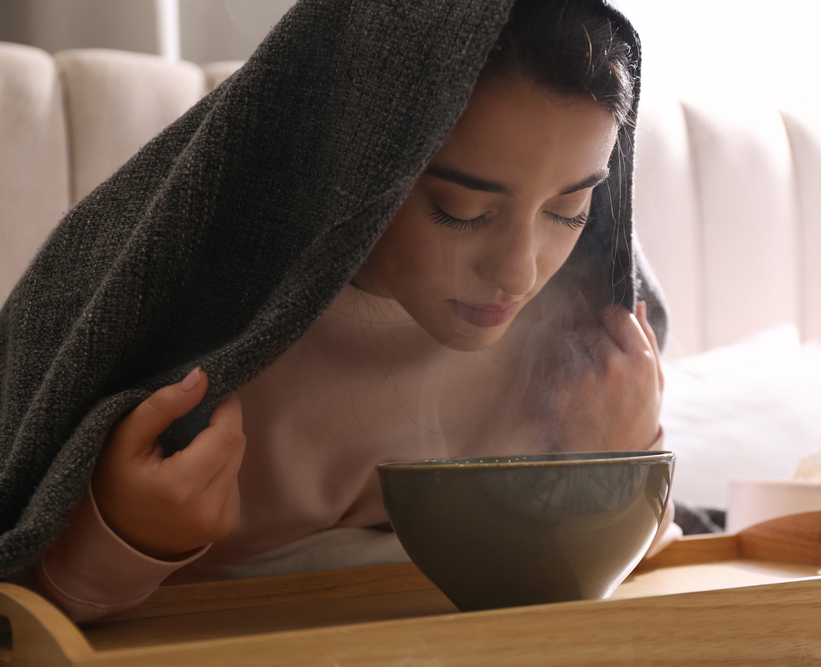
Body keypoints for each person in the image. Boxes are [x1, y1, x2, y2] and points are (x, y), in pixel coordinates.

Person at [0, 0, 681, 623]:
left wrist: (622, 461)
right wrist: (122, 534)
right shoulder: (196, 308)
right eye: (462, 209)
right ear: (360, 157)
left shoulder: (592, 321)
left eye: (570, 208)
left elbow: (651, 568)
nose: (519, 272)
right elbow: (31, 600)